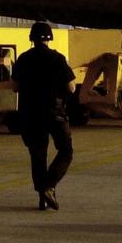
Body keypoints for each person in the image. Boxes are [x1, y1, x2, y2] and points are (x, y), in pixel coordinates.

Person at [11, 22, 75, 211]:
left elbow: (15, 87)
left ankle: (43, 196)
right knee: (65, 151)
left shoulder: (23, 59)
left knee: (38, 155)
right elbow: (71, 87)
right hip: (54, 113)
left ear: (31, 38)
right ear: (49, 38)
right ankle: (49, 185)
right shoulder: (57, 58)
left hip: (30, 114)